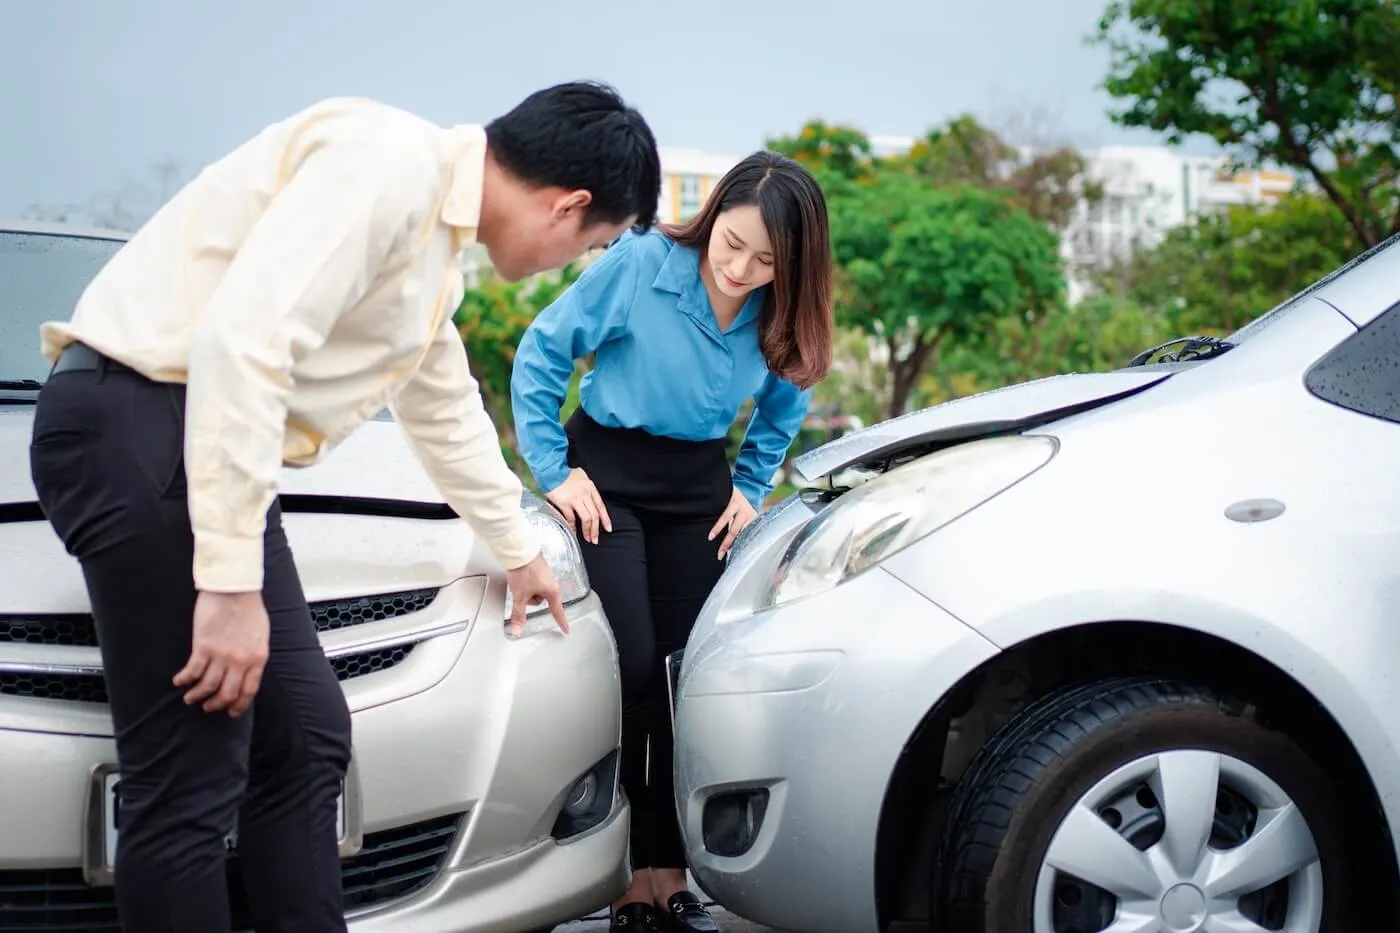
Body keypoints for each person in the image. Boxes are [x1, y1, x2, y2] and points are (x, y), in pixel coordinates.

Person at [27, 82, 661, 933]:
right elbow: (243, 343)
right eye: (596, 242)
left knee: (304, 738)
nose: (573, 260)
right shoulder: (388, 166)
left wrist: (519, 549)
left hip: (188, 444)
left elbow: (442, 406)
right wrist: (227, 582)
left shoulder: (428, 242)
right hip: (142, 427)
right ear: (568, 206)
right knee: (190, 777)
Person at [510, 150, 834, 932]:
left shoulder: (778, 306)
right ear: (713, 216)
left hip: (696, 492)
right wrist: (554, 470)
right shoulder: (643, 263)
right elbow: (543, 351)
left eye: (765, 260)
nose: (741, 269)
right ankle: (622, 876)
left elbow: (785, 405)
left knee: (683, 679)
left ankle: (671, 870)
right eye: (732, 245)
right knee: (627, 668)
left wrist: (753, 486)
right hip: (607, 481)